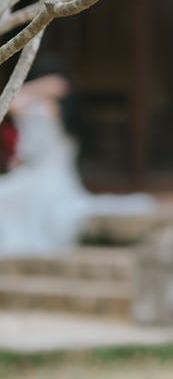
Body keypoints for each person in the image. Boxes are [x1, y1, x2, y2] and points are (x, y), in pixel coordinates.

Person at [0, 55, 155, 257]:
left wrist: (34, 88)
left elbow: (11, 101)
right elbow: (9, 103)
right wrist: (40, 87)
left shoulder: (51, 108)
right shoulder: (38, 104)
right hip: (35, 172)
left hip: (50, 178)